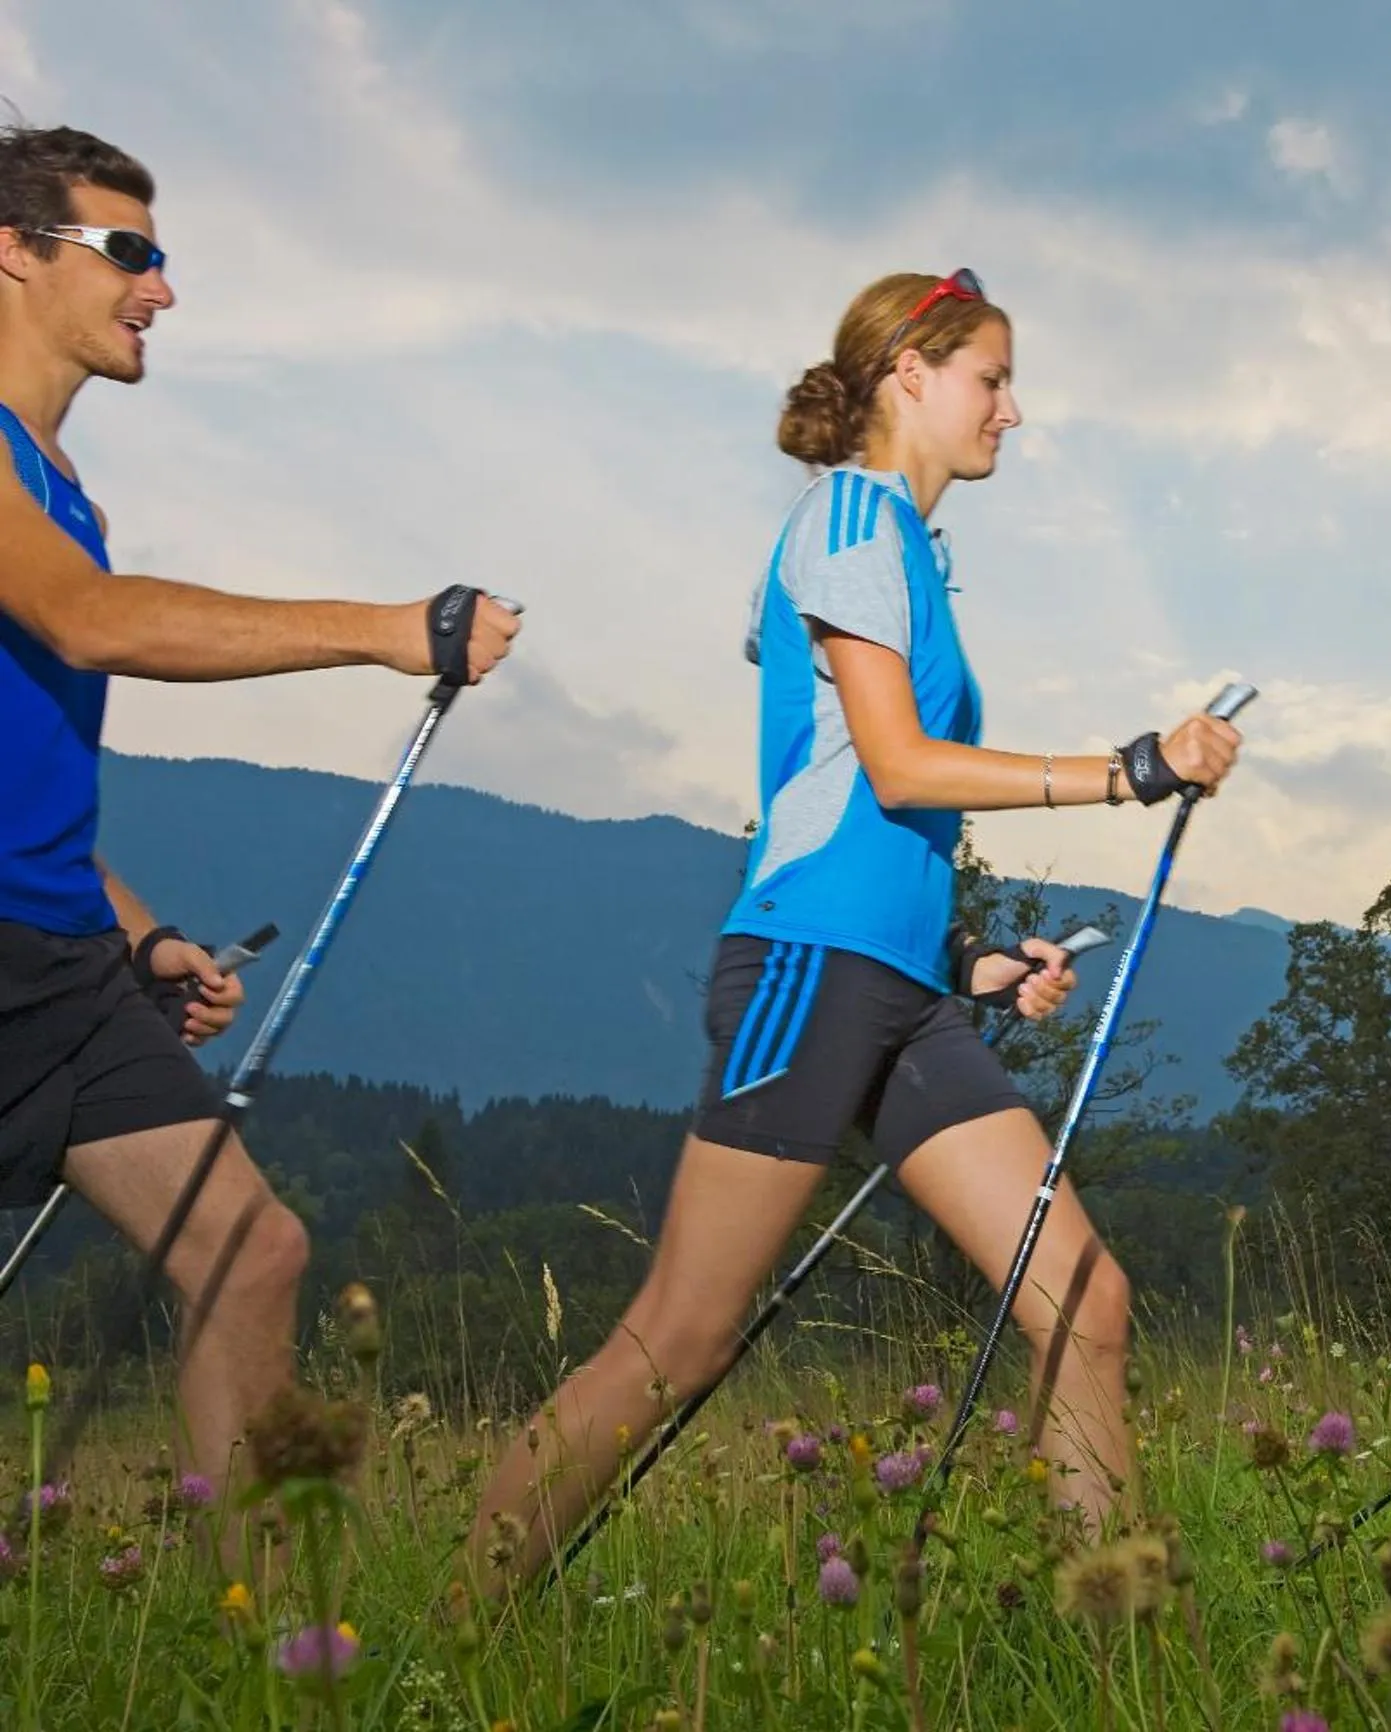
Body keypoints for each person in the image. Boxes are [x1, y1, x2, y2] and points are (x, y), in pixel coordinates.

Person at [470, 268, 1241, 1584]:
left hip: (896, 985)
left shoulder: (906, 552)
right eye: (991, 379)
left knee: (1080, 1301)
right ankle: (430, 1643)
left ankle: (1117, 1661)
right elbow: (894, 767)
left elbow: (854, 794)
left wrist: (969, 956)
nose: (1011, 410)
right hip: (806, 972)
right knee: (679, 1340)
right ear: (908, 375)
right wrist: (1130, 770)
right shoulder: (845, 521)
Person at [0, 125, 519, 1536]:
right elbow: (87, 623)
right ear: (12, 248)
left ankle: (253, 1620)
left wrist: (141, 936)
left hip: (55, 961)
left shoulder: (65, 495)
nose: (158, 291)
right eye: (129, 254)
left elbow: (25, 763)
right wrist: (383, 632)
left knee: (250, 1249)